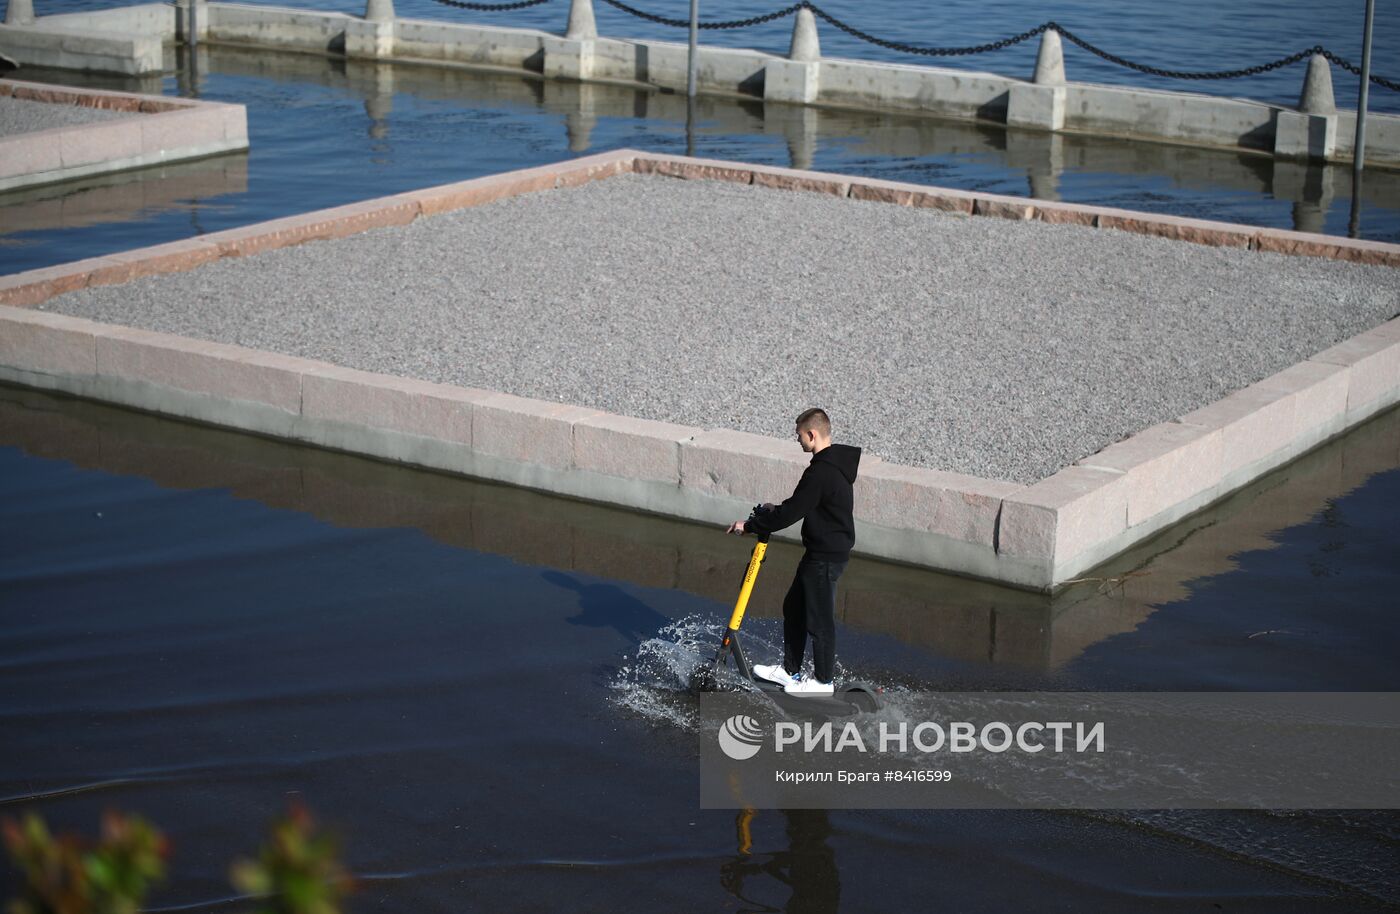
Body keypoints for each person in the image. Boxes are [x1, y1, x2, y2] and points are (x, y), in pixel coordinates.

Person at [725, 408, 860, 696]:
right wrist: (777, 509)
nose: (798, 441)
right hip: (820, 552)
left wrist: (749, 526)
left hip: (825, 557)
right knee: (794, 607)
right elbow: (802, 503)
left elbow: (792, 514)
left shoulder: (822, 471)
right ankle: (790, 670)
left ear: (812, 434)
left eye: (799, 436)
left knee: (819, 619)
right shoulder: (831, 465)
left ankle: (823, 683)